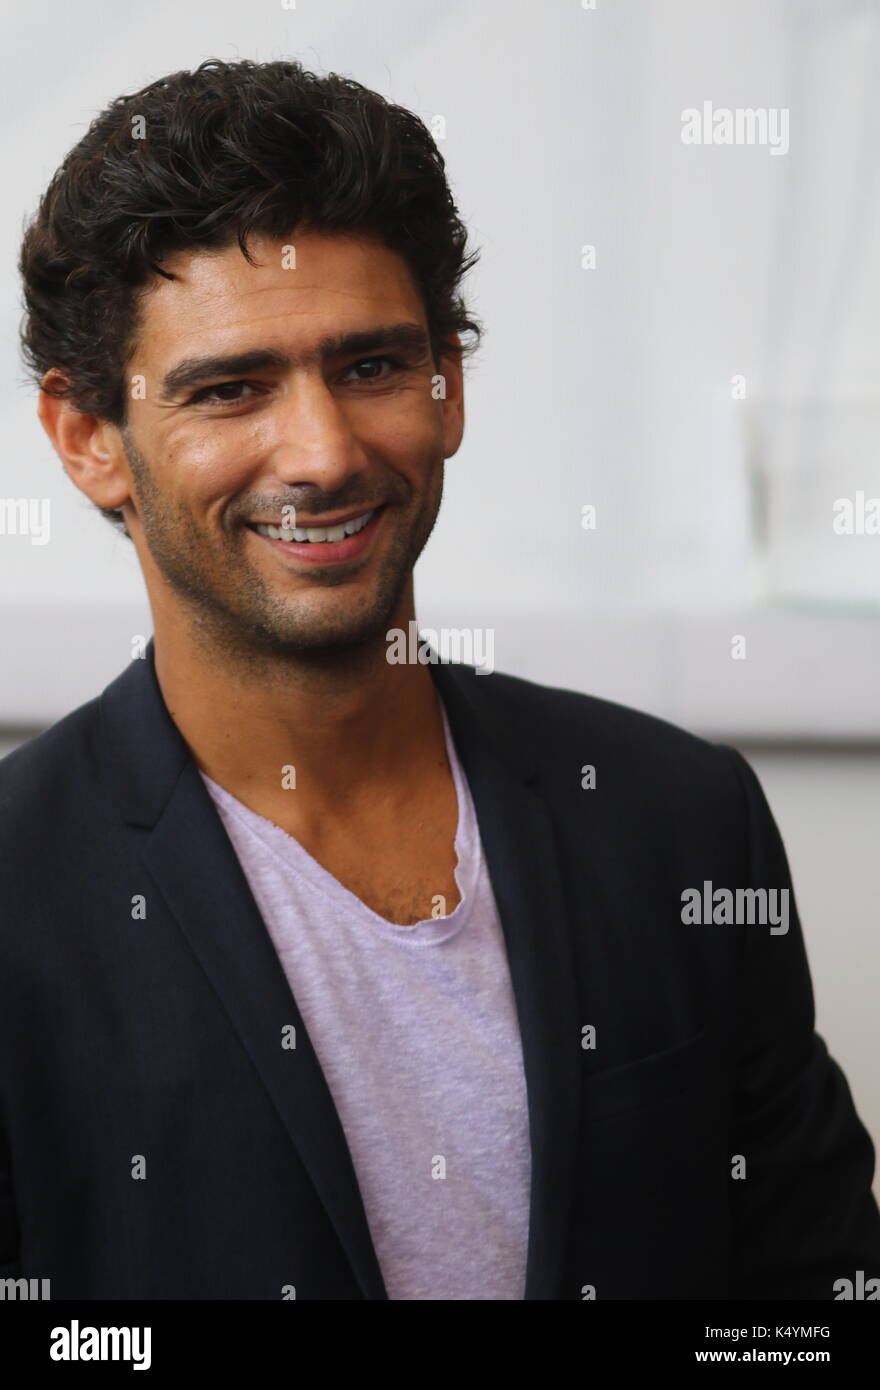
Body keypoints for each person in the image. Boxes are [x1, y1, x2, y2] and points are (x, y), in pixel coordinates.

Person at [2, 57, 878, 1301]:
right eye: (231, 388)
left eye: (369, 367)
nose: (322, 451)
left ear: (447, 385)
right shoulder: (20, 895)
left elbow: (815, 1300)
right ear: (90, 440)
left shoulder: (680, 821)